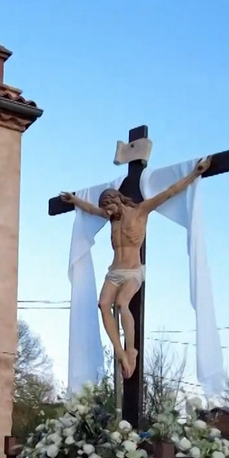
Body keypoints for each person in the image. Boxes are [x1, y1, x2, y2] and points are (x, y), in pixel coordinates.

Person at [58, 155, 211, 378]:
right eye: (106, 210)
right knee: (102, 304)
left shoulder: (141, 210)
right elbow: (91, 210)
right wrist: (74, 200)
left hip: (132, 271)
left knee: (121, 303)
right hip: (114, 271)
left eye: (110, 207)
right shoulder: (111, 217)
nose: (108, 213)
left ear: (117, 200)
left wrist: (195, 173)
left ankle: (131, 351)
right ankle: (119, 351)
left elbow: (169, 192)